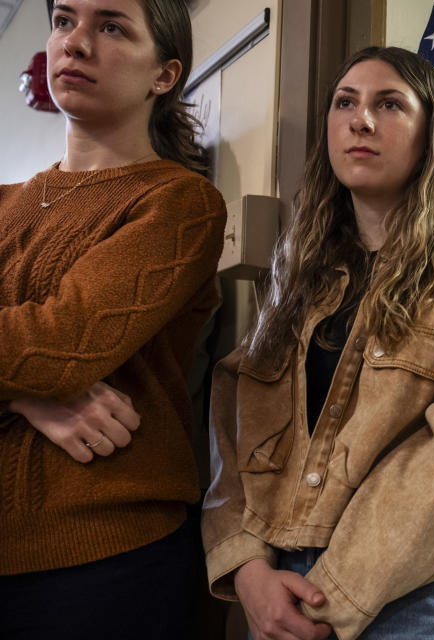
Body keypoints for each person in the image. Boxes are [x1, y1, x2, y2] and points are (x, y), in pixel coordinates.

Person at [201, 46, 434, 640]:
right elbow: (233, 420)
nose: (360, 120)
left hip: (428, 581)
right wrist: (245, 568)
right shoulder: (300, 267)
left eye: (389, 104)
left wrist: (336, 593)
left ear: (430, 135)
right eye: (346, 102)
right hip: (283, 571)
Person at [0, 1, 226, 639]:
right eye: (65, 20)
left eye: (111, 27)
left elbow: (61, 345)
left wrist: (36, 378)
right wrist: (24, 399)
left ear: (164, 75)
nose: (74, 44)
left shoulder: (178, 203)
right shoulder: (3, 203)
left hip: (102, 559)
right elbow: (36, 367)